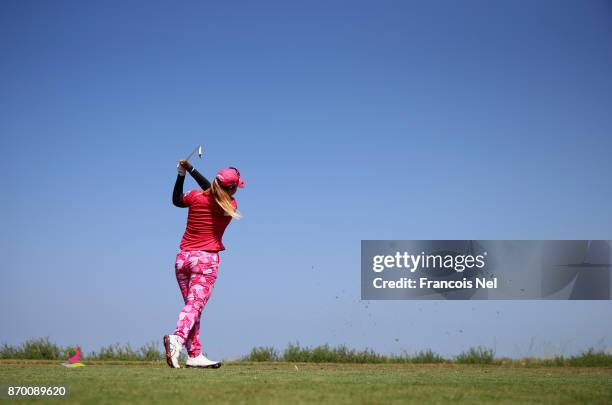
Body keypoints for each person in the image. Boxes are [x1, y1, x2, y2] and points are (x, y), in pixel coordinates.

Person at [163, 159, 244, 369]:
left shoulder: (195, 197)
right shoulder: (230, 206)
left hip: (182, 259)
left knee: (193, 308)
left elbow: (176, 200)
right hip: (205, 260)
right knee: (194, 306)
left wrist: (183, 173)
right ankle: (177, 340)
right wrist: (190, 170)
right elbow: (213, 191)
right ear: (233, 188)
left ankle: (195, 354)